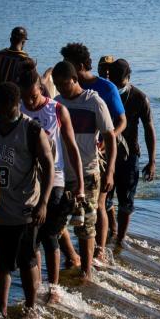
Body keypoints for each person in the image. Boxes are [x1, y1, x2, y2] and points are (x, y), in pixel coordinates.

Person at [0, 83, 54, 317]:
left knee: (27, 261)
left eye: (5, 107)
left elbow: (48, 167)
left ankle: (31, 308)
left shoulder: (32, 129)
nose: (1, 112)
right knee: (2, 264)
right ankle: (0, 310)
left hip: (26, 208)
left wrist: (43, 203)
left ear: (15, 105)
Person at [18, 68, 85, 293]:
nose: (29, 101)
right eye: (24, 96)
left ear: (41, 88)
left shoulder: (56, 109)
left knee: (49, 234)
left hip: (55, 178)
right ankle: (36, 288)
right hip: (28, 183)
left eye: (33, 96)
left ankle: (54, 288)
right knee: (31, 237)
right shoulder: (18, 109)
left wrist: (80, 185)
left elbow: (72, 148)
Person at [59, 43, 125, 262]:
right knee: (76, 214)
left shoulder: (104, 90)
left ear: (78, 67)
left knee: (98, 206)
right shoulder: (62, 93)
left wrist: (107, 149)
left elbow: (121, 121)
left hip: (98, 156)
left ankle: (100, 249)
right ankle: (76, 256)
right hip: (68, 165)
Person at [51, 61, 114, 283]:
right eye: (57, 85)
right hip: (61, 173)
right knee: (54, 223)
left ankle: (86, 272)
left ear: (75, 79)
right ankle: (73, 257)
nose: (61, 89)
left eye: (64, 84)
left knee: (86, 224)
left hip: (87, 171)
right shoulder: (57, 104)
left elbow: (109, 136)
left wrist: (110, 171)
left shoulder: (94, 101)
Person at [97, 58, 155, 247]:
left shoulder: (139, 98)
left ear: (128, 77)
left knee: (126, 201)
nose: (115, 84)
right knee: (104, 199)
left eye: (119, 81)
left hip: (129, 156)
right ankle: (111, 230)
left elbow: (149, 129)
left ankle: (120, 240)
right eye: (112, 79)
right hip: (105, 156)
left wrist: (152, 160)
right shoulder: (104, 94)